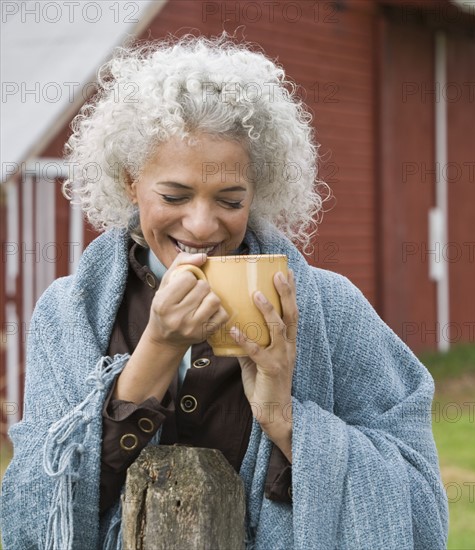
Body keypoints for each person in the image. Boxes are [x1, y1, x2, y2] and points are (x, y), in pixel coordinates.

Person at [1, 34, 448, 549]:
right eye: (174, 195)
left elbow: (419, 515)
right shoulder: (68, 314)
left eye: (229, 201)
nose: (201, 224)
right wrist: (159, 348)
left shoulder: (332, 310)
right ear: (130, 181)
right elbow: (33, 518)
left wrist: (284, 417)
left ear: (256, 192)